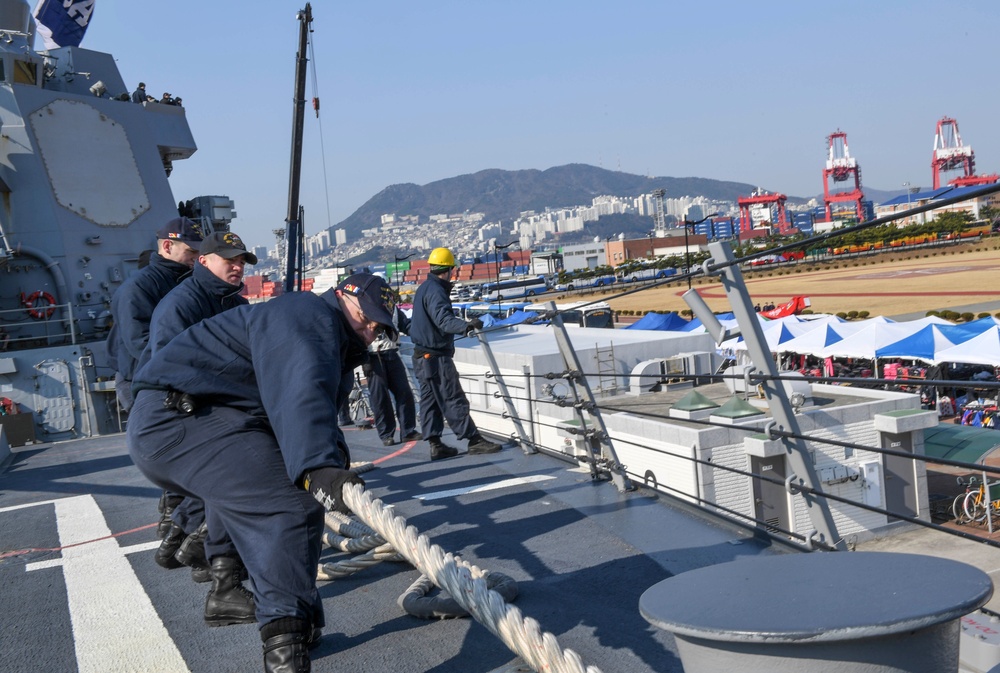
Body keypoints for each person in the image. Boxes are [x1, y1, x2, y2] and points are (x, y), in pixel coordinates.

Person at [127, 273, 395, 672]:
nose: (371, 331)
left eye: (380, 326)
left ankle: (281, 617)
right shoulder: (308, 316)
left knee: (283, 493)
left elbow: (312, 408)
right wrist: (316, 471)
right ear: (343, 298)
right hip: (178, 418)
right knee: (288, 507)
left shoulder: (330, 334)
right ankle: (286, 655)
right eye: (366, 318)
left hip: (194, 420)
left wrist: (326, 466)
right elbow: (299, 395)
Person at [140, 231, 257, 621]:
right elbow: (170, 365)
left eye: (242, 260)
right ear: (203, 261)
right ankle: (203, 550)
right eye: (229, 259)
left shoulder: (232, 302)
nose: (237, 266)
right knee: (241, 475)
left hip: (219, 406)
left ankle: (195, 545)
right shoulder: (182, 304)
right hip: (183, 411)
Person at [410, 247, 503, 460]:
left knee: (430, 400)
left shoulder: (424, 288)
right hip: (435, 357)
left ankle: (435, 444)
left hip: (421, 356)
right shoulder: (436, 290)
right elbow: (443, 320)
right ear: (450, 269)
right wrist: (467, 326)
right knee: (452, 396)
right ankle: (474, 440)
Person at [106, 216, 203, 415]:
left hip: (180, 377)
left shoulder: (191, 283)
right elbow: (140, 343)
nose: (197, 257)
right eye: (191, 251)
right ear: (167, 246)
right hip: (144, 382)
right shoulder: (137, 288)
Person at [364, 296, 419, 446]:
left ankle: (408, 431)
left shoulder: (392, 308)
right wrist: (364, 360)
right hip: (373, 357)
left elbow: (405, 325)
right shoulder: (362, 308)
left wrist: (421, 333)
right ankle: (386, 434)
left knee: (404, 393)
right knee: (380, 397)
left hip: (392, 353)